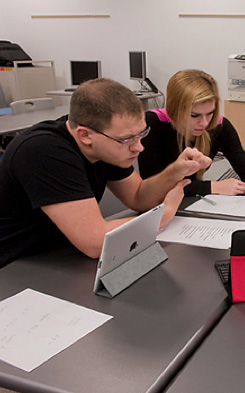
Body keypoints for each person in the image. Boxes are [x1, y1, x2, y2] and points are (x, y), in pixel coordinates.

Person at [0, 78, 211, 269]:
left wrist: (175, 171)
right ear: (85, 135)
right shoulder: (43, 151)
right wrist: (165, 213)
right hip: (16, 267)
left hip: (60, 257)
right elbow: (94, 241)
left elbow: (137, 197)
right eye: (127, 139)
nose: (139, 148)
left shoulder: (105, 142)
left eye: (141, 135)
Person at [138, 69, 245, 202]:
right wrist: (213, 186)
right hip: (158, 208)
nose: (204, 123)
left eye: (210, 113)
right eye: (194, 115)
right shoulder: (152, 124)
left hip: (188, 203)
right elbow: (151, 187)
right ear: (175, 110)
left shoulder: (219, 126)